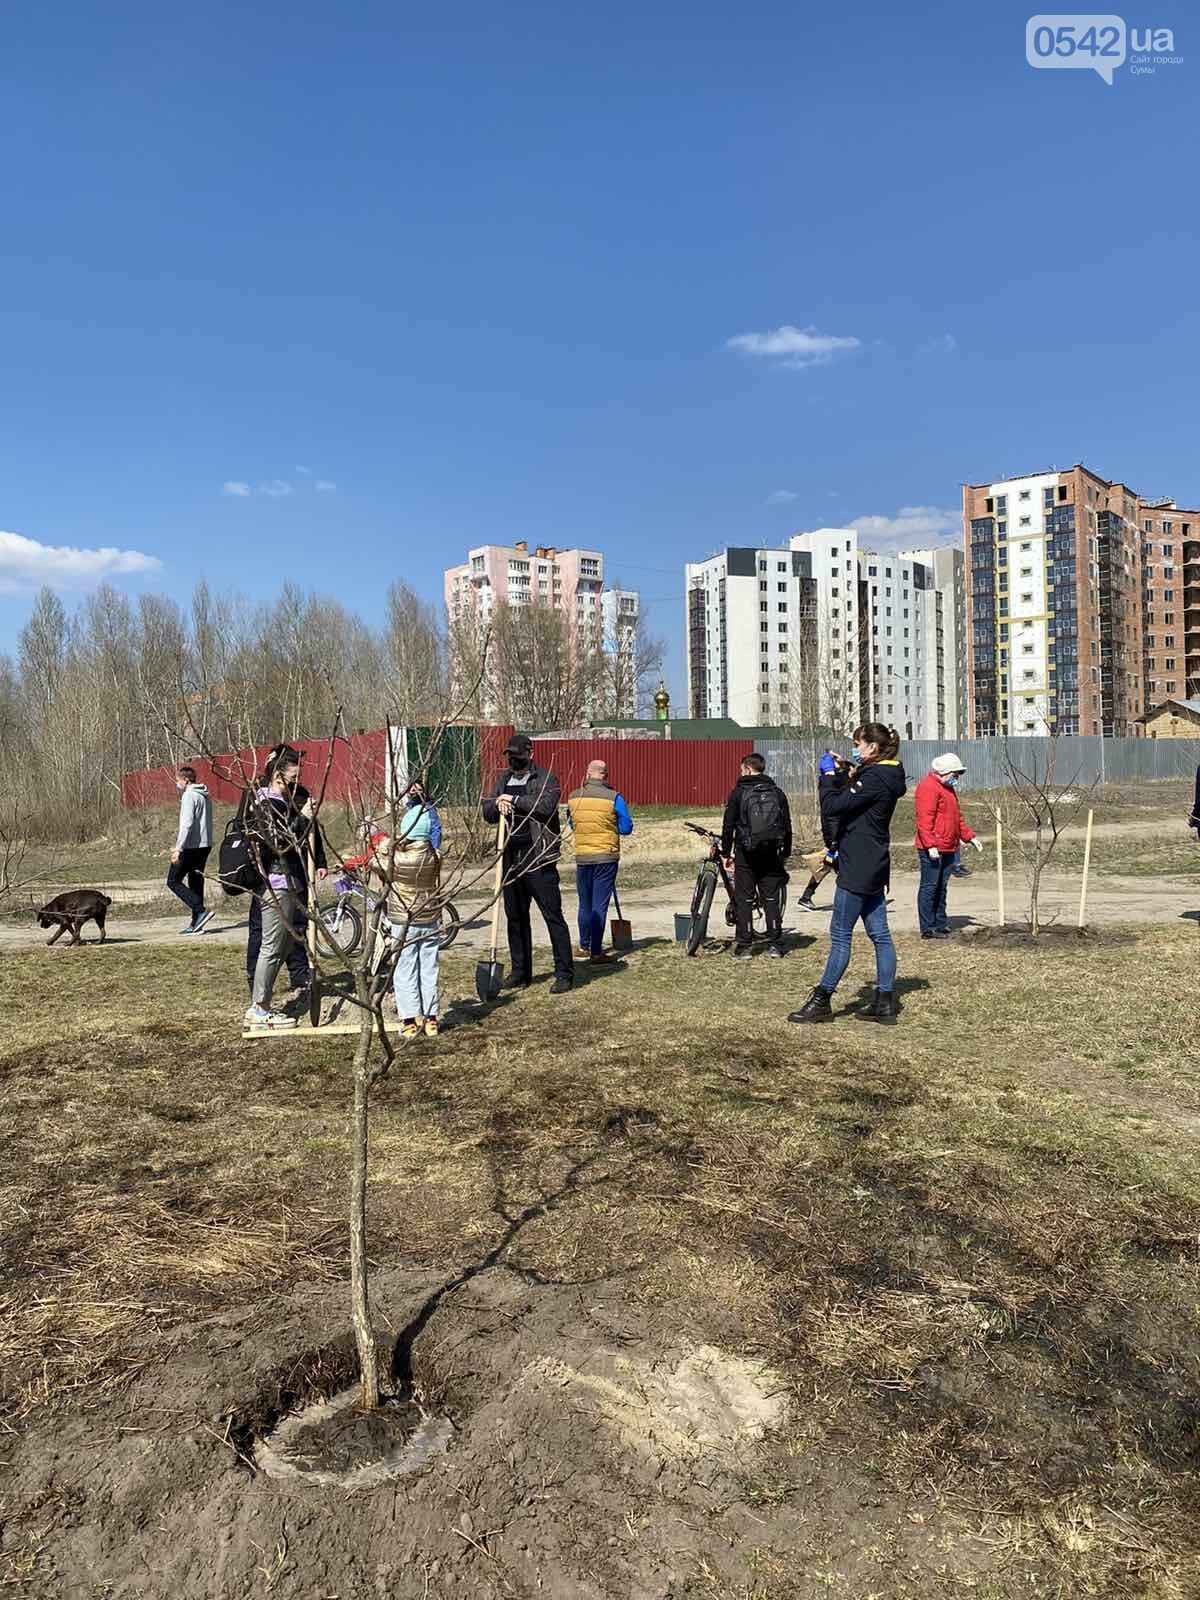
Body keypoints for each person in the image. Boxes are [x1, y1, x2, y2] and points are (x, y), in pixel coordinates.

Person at [788, 723, 906, 1025]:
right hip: (874, 862)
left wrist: (827, 777)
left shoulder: (876, 777)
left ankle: (821, 1001)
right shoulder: (886, 774)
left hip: (858, 866)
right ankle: (884, 1000)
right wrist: (844, 772)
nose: (855, 747)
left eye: (858, 743)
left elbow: (834, 807)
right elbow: (856, 798)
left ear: (873, 748)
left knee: (841, 936)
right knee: (880, 934)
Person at [345, 784, 444, 1038]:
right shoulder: (434, 857)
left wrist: (385, 843)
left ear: (406, 833)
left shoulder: (397, 860)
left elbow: (376, 861)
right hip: (430, 917)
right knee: (429, 966)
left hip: (403, 919)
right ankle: (431, 1019)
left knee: (405, 967)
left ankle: (410, 1020)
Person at [482, 733, 574, 993]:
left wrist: (513, 800)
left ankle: (564, 973)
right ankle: (521, 972)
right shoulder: (503, 780)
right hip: (510, 857)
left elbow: (545, 807)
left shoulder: (546, 779)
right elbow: (487, 813)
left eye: (517, 754)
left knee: (552, 915)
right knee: (515, 917)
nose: (513, 759)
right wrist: (496, 804)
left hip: (538, 857)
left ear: (529, 754)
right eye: (510, 754)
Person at [238, 745, 326, 997]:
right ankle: (258, 991)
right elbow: (274, 839)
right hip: (270, 876)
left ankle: (299, 976)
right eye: (293, 776)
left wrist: (319, 859)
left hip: (293, 875)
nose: (297, 781)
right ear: (277, 772)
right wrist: (301, 819)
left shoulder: (297, 795)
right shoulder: (259, 798)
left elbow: (311, 832)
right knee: (267, 939)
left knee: (293, 932)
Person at [720, 752, 791, 960]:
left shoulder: (739, 793)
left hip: (746, 853)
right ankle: (776, 945)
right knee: (770, 898)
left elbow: (728, 825)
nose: (740, 773)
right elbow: (787, 826)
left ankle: (744, 946)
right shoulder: (777, 793)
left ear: (748, 769)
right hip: (771, 853)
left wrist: (726, 852)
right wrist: (785, 851)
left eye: (742, 769)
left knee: (745, 899)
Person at [567, 759, 634, 961]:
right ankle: (596, 952)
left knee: (584, 904)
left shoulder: (573, 797)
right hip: (606, 857)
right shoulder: (614, 797)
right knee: (599, 905)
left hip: (583, 857)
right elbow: (626, 828)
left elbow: (572, 823)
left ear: (587, 774)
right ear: (606, 775)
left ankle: (584, 946)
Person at [914, 753, 984, 940]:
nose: (957, 778)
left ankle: (940, 923)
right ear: (945, 772)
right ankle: (928, 928)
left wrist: (969, 837)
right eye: (955, 774)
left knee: (941, 887)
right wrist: (930, 845)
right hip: (933, 848)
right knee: (930, 887)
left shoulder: (947, 789)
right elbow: (924, 820)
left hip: (948, 846)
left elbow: (956, 818)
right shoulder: (928, 788)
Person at [167, 765, 214, 934]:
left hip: (191, 846)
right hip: (205, 844)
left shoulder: (189, 796)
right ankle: (197, 923)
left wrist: (178, 849)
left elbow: (186, 824)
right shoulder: (205, 796)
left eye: (178, 780)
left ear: (185, 780)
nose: (177, 783)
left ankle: (200, 910)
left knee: (173, 881)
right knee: (195, 882)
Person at [798, 751, 839, 910]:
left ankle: (806, 896)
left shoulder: (828, 785)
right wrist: (835, 841)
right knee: (837, 868)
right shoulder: (830, 786)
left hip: (832, 835)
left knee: (825, 866)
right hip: (834, 836)